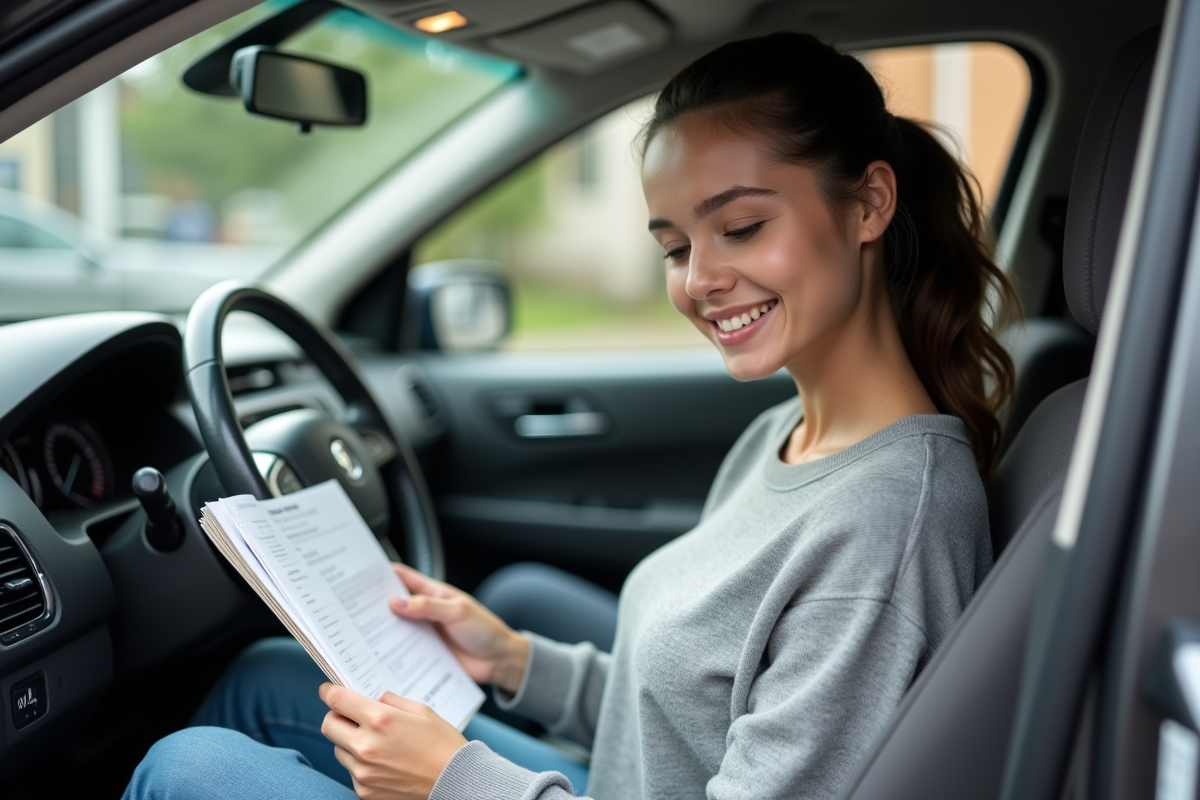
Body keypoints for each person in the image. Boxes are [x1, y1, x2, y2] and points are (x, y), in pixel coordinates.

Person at [123, 30, 1018, 800]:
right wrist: (512, 660)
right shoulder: (782, 435)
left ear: (869, 204)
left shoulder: (888, 525)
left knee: (186, 768)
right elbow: (687, 716)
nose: (700, 279)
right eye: (675, 246)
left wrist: (452, 780)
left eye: (742, 227)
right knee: (269, 675)